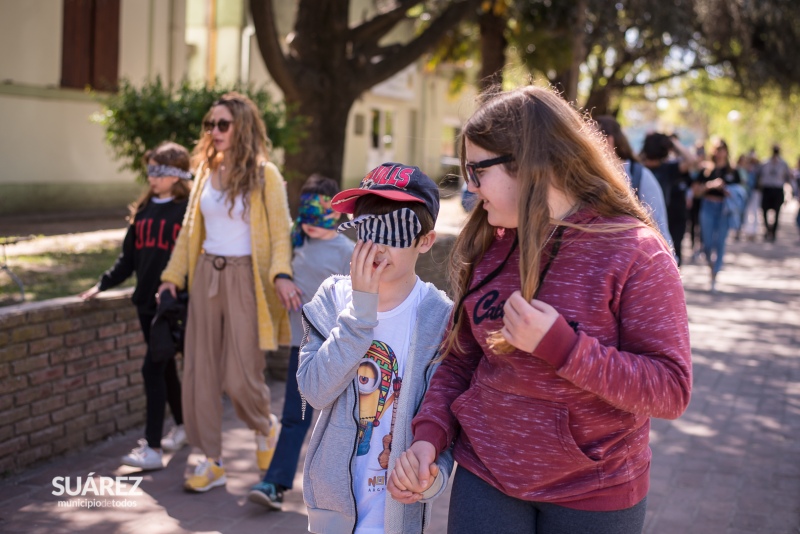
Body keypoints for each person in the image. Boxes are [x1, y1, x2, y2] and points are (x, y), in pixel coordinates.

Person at [402, 86, 692, 534]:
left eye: (477, 170)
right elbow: (460, 361)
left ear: (529, 163)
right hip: (486, 477)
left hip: (594, 493)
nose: (470, 188)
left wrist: (564, 348)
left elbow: (670, 390)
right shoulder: (494, 242)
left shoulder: (636, 252)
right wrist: (429, 436)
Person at [296, 163, 455, 534]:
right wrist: (359, 313)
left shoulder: (439, 317)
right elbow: (314, 391)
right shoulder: (332, 299)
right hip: (331, 510)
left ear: (425, 240)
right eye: (368, 228)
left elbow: (444, 417)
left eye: (394, 230)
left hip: (399, 510)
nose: (378, 245)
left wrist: (431, 480)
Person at [158, 92, 294, 492]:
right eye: (210, 125)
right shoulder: (204, 171)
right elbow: (188, 232)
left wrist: (281, 273)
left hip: (244, 278)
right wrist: (173, 276)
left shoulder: (264, 174)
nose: (214, 131)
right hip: (205, 274)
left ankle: (263, 424)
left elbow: (281, 234)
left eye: (222, 124)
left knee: (240, 376)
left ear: (242, 127)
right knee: (200, 371)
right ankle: (211, 460)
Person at [79, 141, 192, 469]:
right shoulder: (143, 211)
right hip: (144, 304)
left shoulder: (187, 211)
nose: (152, 177)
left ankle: (153, 449)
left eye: (159, 170)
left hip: (171, 306)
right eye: (150, 169)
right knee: (165, 365)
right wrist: (101, 284)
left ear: (176, 174)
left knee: (151, 368)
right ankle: (183, 428)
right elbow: (128, 259)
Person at [247, 174, 354, 510]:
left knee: (344, 421)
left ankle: (345, 493)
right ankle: (275, 484)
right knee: (295, 417)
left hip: (339, 351)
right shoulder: (296, 243)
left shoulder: (347, 251)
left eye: (316, 218)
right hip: (302, 347)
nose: (309, 226)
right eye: (304, 218)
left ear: (335, 214)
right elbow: (275, 266)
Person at [594, 116, 673, 251]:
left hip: (635, 262)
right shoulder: (586, 179)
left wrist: (669, 265)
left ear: (608, 141)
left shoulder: (639, 175)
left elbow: (659, 224)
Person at [640, 132, 698, 265]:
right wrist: (674, 143)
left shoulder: (637, 167)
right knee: (672, 256)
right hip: (667, 218)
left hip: (649, 220)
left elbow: (692, 161)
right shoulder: (666, 169)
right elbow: (691, 160)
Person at [693, 138, 741, 292]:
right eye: (716, 149)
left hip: (724, 209)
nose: (719, 152)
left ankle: (715, 274)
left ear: (726, 151)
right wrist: (710, 185)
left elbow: (740, 192)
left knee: (720, 242)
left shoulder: (732, 172)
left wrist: (729, 191)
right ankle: (710, 265)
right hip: (708, 206)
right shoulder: (706, 170)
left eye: (722, 149)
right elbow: (695, 191)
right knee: (707, 243)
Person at [757, 145, 793, 242]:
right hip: (767, 189)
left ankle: (773, 232)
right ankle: (767, 229)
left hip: (777, 189)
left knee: (777, 211)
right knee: (764, 210)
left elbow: (787, 178)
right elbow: (759, 175)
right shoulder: (765, 162)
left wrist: (789, 192)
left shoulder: (783, 164)